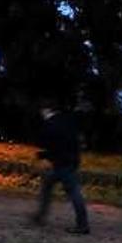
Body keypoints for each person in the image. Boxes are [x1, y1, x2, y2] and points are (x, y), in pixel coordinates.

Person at [31, 101, 90, 235]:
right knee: (50, 186)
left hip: (59, 164)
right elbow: (77, 141)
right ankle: (40, 216)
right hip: (69, 162)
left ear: (46, 111)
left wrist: (41, 157)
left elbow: (48, 145)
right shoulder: (67, 121)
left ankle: (82, 225)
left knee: (73, 193)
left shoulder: (50, 124)